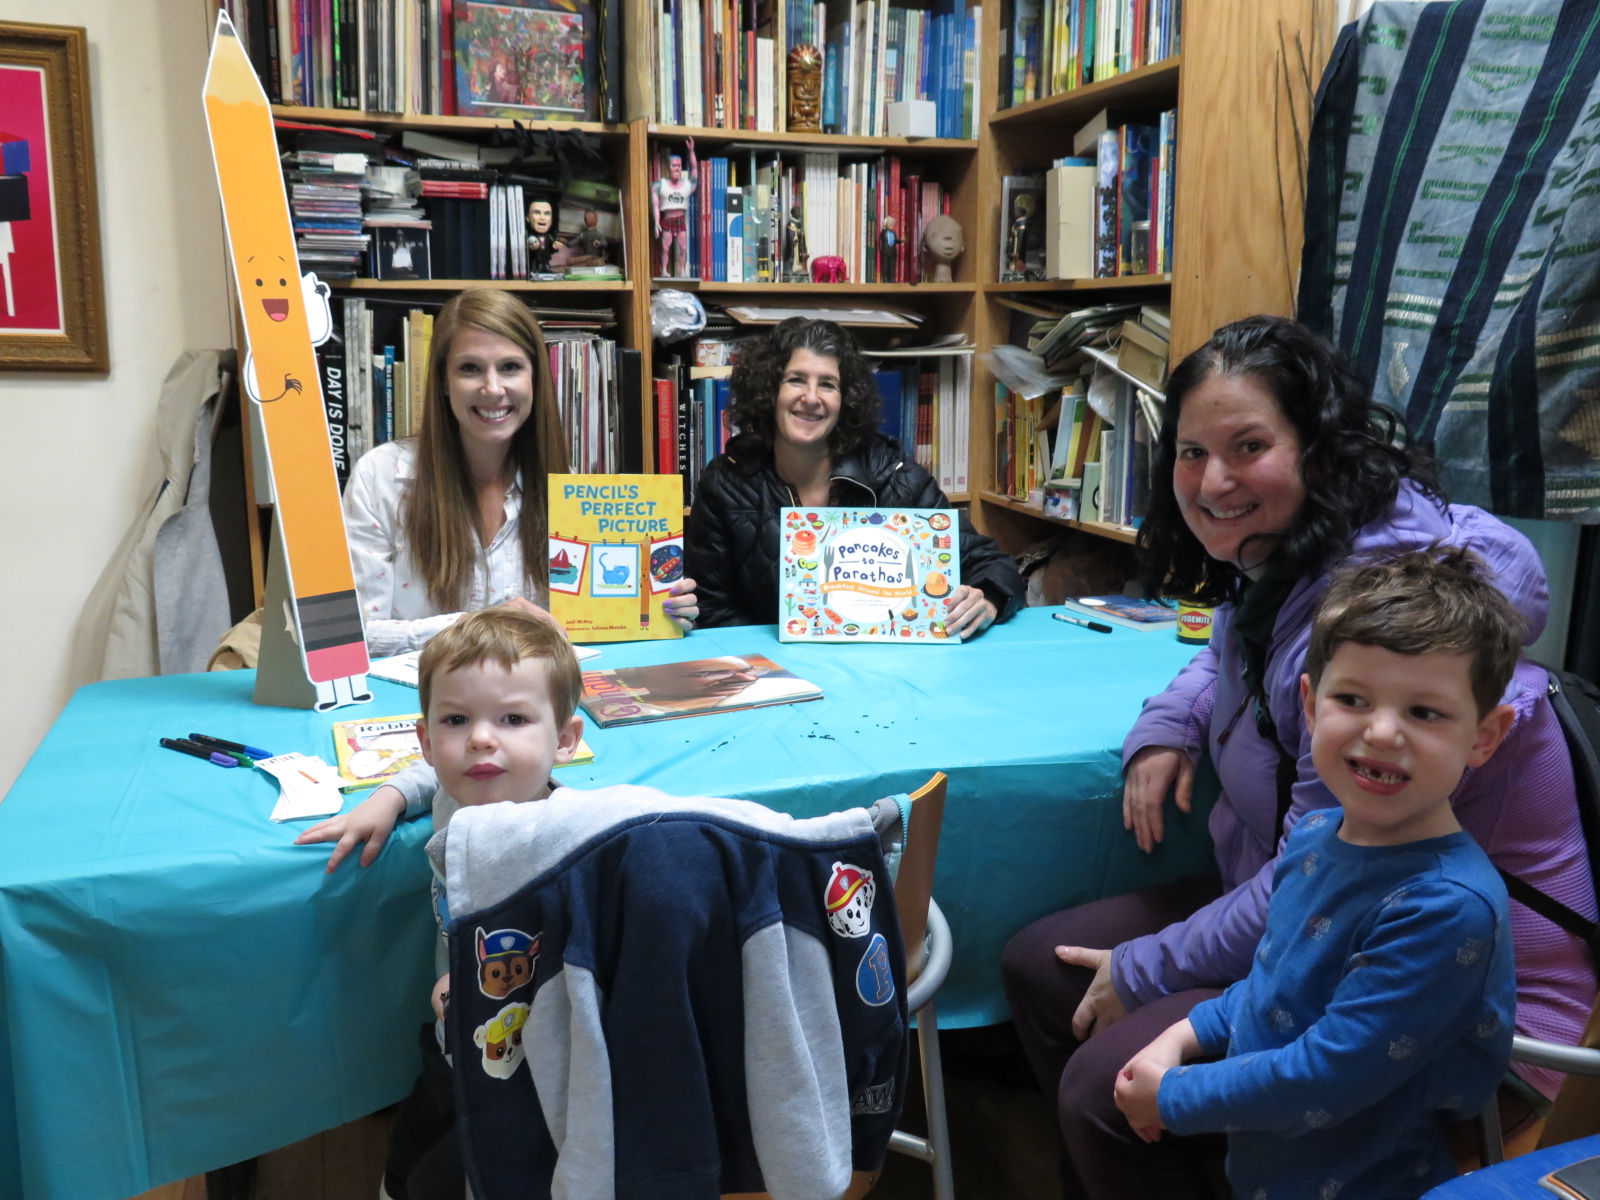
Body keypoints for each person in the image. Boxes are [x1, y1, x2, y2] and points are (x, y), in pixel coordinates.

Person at [1000, 315, 1596, 1200]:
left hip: (1449, 1000)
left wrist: (1152, 982)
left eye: (1249, 447)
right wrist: (1170, 724)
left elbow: (1322, 1003)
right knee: (1042, 967)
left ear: (1318, 447)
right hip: (1323, 900)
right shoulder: (1302, 550)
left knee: (1104, 1089)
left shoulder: (1383, 622)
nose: (1213, 481)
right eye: (1193, 453)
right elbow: (1234, 648)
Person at [1115, 547, 1518, 1200]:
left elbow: (1325, 1076)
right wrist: (1187, 1032)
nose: (1381, 732)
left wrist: (1175, 1097)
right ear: (1309, 704)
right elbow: (1276, 984)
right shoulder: (1313, 835)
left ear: (1484, 736)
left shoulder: (1445, 907)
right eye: (1352, 699)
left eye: (1425, 712)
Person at [340, 287, 699, 661]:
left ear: (535, 378)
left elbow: (587, 629)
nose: (493, 388)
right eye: (469, 368)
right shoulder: (380, 478)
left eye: (510, 367)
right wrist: (481, 626)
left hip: (532, 693)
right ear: (443, 381)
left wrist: (659, 609)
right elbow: (352, 635)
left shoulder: (569, 491)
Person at [684, 317, 1025, 636]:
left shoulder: (895, 475)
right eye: (796, 380)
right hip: (773, 668)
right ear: (769, 391)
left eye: (828, 384)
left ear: (845, 400)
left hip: (883, 662)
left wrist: (988, 599)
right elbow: (712, 609)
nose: (811, 398)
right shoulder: (726, 482)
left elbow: (991, 564)